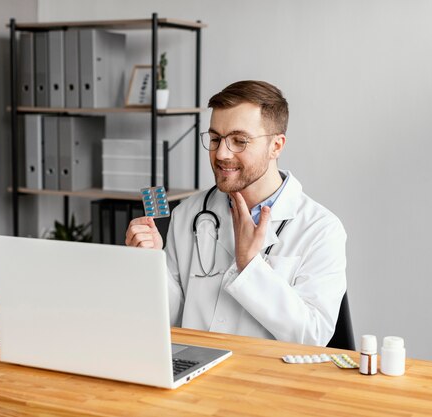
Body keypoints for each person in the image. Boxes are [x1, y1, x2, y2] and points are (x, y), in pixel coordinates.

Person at [126, 80, 346, 346]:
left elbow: (313, 336)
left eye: (239, 141)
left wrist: (251, 266)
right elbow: (170, 319)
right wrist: (151, 265)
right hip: (193, 373)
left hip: (264, 381)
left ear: (276, 145)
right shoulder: (188, 215)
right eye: (216, 138)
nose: (221, 153)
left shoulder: (321, 229)